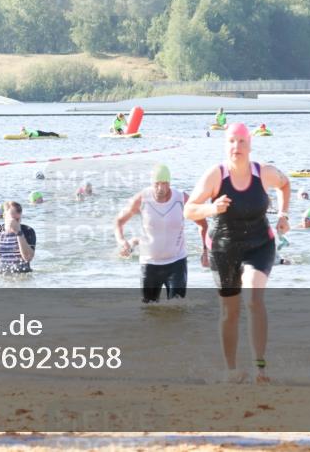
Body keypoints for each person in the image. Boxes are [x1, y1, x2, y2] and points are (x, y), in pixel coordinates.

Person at [185, 122, 291, 383]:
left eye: (242, 141)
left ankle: (260, 368)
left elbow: (285, 184)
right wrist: (212, 209)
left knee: (254, 298)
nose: (237, 147)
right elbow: (189, 210)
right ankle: (230, 370)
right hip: (223, 248)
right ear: (226, 146)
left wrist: (284, 214)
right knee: (229, 312)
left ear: (250, 145)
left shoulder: (263, 172)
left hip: (259, 245)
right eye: (232, 141)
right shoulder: (215, 176)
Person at [114, 164, 208, 303]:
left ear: (169, 183)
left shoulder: (182, 199)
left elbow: (203, 225)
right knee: (148, 311)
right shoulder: (141, 199)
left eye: (164, 184)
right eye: (156, 184)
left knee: (178, 308)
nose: (160, 188)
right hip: (149, 265)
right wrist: (122, 242)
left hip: (176, 263)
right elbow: (118, 222)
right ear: (152, 183)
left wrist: (205, 251)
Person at [0, 201, 37, 273]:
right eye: (13, 218)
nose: (16, 222)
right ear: (4, 215)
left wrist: (18, 233)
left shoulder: (28, 231)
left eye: (18, 219)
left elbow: (28, 257)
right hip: (0, 275)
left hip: (22, 275)